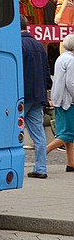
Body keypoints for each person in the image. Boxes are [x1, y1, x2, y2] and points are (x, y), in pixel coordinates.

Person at [21, 16, 51, 178]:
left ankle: (16, 166)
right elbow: (46, 72)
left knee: (14, 132)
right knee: (38, 134)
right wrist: (46, 90)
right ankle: (41, 168)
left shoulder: (18, 44)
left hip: (22, 95)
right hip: (38, 95)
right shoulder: (39, 46)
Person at [47, 33, 74, 173]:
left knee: (68, 132)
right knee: (68, 133)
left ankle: (71, 163)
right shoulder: (71, 60)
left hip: (59, 99)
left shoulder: (61, 58)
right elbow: (71, 83)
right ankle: (44, 151)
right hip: (68, 101)